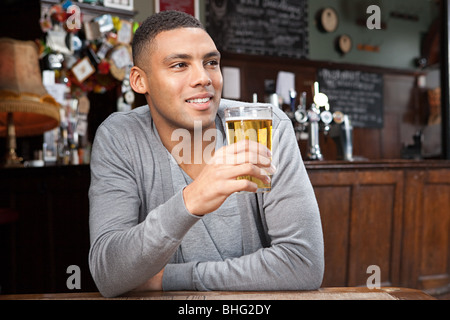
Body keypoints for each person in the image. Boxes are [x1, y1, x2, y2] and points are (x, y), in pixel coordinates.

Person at [88, 10, 324, 298]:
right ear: (140, 81)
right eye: (179, 65)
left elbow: (303, 264)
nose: (203, 78)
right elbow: (108, 274)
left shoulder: (265, 125)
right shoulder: (120, 137)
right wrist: (192, 201)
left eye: (211, 62)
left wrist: (169, 278)